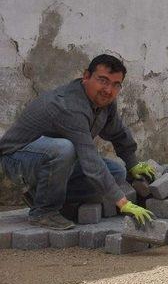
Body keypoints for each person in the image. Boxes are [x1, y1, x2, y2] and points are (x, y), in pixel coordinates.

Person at [0, 54, 156, 230]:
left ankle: (40, 195)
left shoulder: (104, 102)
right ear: (86, 76)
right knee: (65, 149)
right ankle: (44, 212)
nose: (108, 90)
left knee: (117, 172)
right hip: (17, 158)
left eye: (115, 84)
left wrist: (132, 164)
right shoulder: (69, 106)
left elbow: (118, 133)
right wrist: (123, 202)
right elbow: (89, 158)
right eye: (103, 80)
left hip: (52, 160)